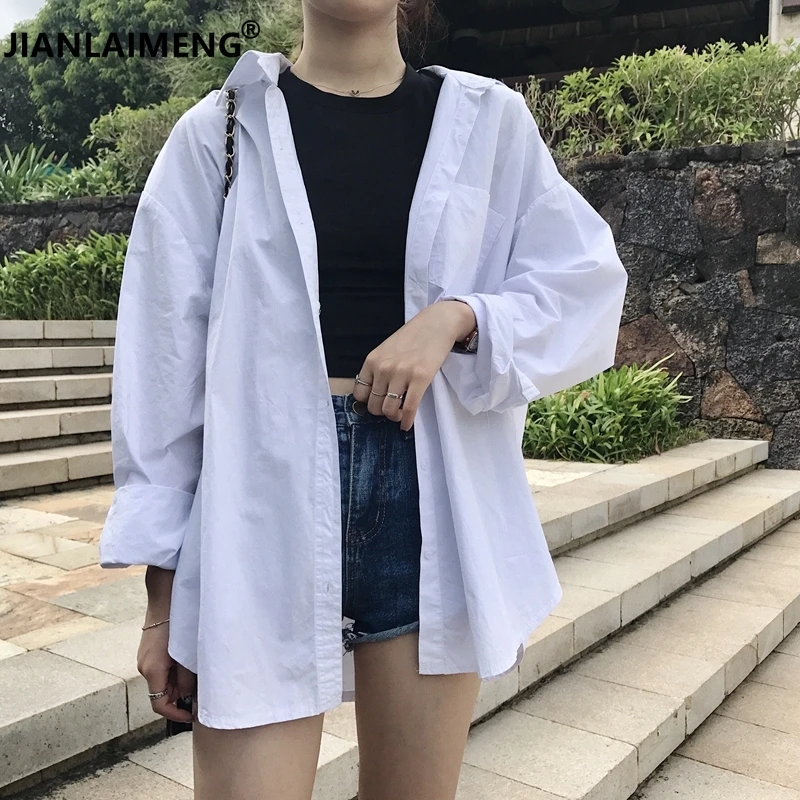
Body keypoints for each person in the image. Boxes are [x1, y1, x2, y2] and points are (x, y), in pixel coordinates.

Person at [98, 1, 628, 798]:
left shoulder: (488, 124)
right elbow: (163, 370)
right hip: (257, 513)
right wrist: (162, 603)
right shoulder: (220, 132)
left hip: (427, 507)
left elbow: (583, 284)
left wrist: (460, 318)